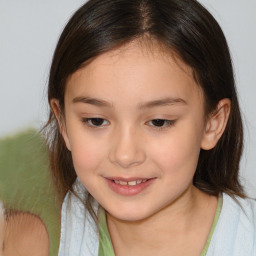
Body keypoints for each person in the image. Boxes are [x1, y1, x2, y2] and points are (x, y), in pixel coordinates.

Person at [43, 0, 256, 255]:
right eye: (96, 121)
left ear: (212, 123)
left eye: (158, 122)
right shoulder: (29, 237)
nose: (125, 155)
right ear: (63, 123)